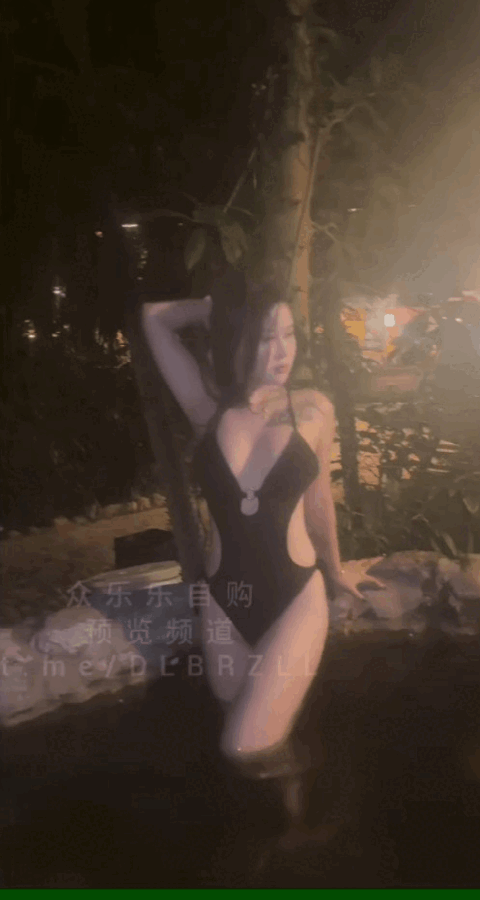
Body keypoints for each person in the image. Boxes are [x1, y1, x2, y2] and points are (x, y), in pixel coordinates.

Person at [141, 278, 380, 850]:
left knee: (243, 746)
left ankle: (302, 839)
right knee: (254, 733)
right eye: (265, 337)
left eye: (289, 335)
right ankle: (286, 828)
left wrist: (336, 570)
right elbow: (154, 318)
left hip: (295, 598)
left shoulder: (313, 409)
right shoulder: (207, 408)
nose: (281, 352)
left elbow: (319, 500)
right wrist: (215, 307)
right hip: (224, 604)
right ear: (237, 339)